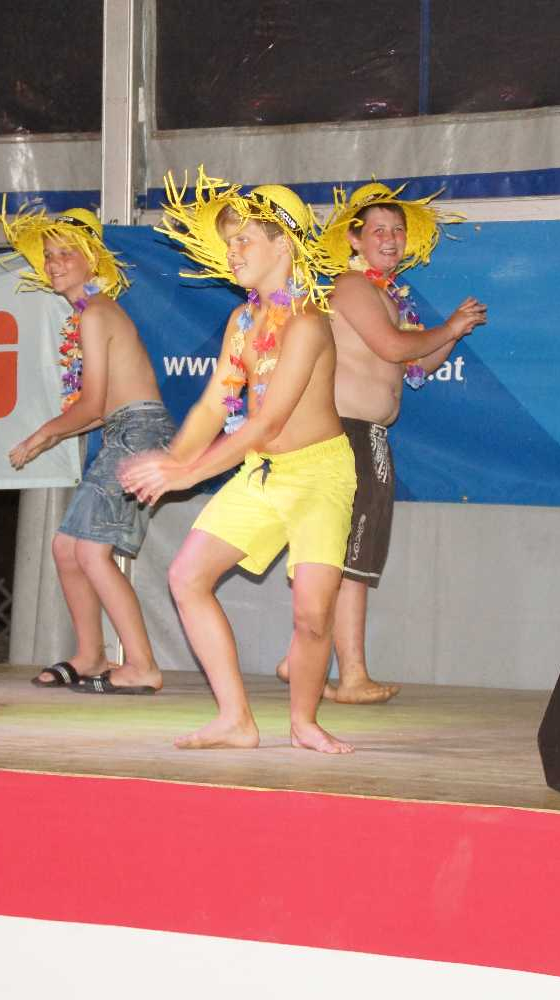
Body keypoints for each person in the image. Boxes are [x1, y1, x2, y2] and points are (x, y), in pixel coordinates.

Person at [120, 171, 355, 754]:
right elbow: (212, 406)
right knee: (186, 577)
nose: (232, 251)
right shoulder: (242, 322)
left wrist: (186, 474)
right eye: (230, 242)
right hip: (263, 474)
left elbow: (266, 423)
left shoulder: (308, 323)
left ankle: (303, 722)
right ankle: (235, 720)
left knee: (312, 615)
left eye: (244, 239)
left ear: (284, 246)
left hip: (320, 477)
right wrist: (172, 458)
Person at [268, 182, 486, 703]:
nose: (390, 238)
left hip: (363, 434)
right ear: (354, 239)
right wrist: (448, 325)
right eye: (378, 230)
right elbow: (391, 346)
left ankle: (304, 660)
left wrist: (454, 333)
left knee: (346, 556)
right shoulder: (351, 286)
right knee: (351, 560)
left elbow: (416, 363)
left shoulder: (386, 294)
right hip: (346, 432)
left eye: (397, 230)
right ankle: (351, 675)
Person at [0, 202, 176, 694]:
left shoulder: (97, 313)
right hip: (123, 428)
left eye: (66, 254)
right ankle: (90, 654)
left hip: (139, 433)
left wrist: (43, 435)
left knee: (93, 553)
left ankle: (141, 665)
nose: (54, 263)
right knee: (66, 548)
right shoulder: (89, 314)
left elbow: (93, 404)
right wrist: (59, 431)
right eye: (49, 255)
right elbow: (102, 410)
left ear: (92, 260)